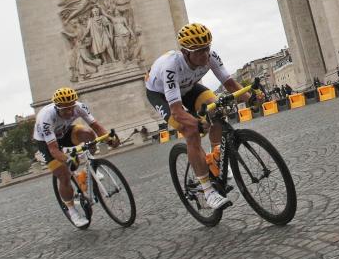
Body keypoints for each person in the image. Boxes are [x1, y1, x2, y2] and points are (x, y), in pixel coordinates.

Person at [144, 23, 250, 210]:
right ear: (185, 53)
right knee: (191, 130)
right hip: (161, 95)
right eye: (199, 51)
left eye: (207, 49)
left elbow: (231, 85)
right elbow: (177, 110)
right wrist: (197, 123)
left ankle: (216, 156)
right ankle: (208, 191)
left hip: (188, 88)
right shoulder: (171, 67)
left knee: (216, 109)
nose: (205, 55)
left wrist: (252, 97)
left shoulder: (210, 57)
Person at [33, 87, 119, 227]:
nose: (70, 112)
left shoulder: (78, 107)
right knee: (64, 173)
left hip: (64, 132)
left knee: (87, 133)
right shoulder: (46, 118)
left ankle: (91, 167)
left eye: (71, 107)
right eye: (66, 110)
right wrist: (68, 159)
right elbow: (54, 150)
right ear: (57, 107)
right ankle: (72, 212)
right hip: (46, 142)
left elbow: (97, 127)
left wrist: (109, 138)